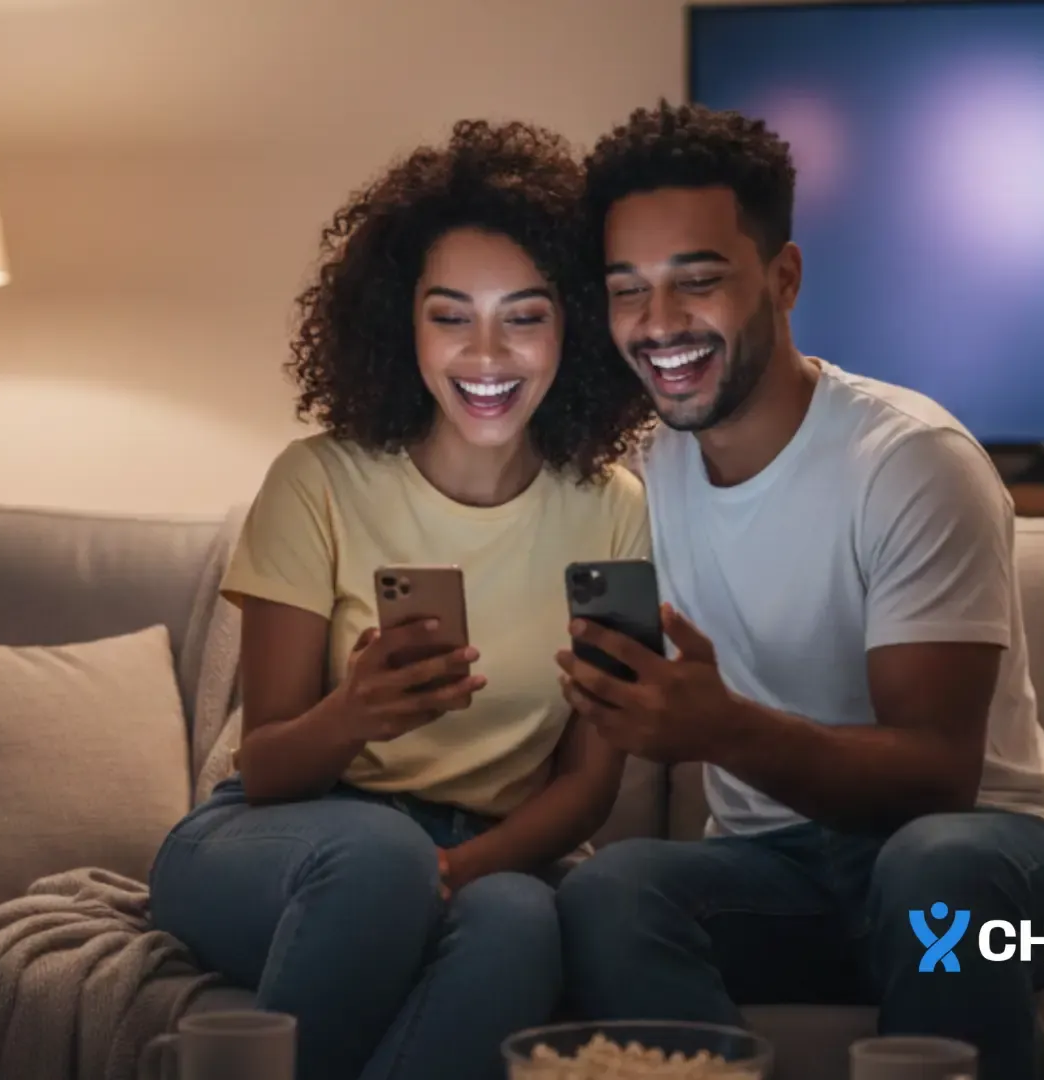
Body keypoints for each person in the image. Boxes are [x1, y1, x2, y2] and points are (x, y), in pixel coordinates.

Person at [551, 102, 1044, 1080]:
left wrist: (722, 728)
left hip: (992, 868)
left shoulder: (909, 461)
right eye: (628, 290)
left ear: (784, 276)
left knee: (933, 871)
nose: (659, 323)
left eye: (699, 280)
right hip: (780, 880)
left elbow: (934, 779)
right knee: (614, 890)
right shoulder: (641, 477)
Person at [148, 119, 654, 1080]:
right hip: (277, 843)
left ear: (575, 325)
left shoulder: (615, 510)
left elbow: (588, 785)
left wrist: (458, 873)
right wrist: (355, 713)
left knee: (523, 921)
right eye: (451, 314)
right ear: (402, 322)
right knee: (379, 860)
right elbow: (265, 768)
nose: (487, 352)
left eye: (527, 314)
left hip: (483, 855)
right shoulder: (315, 481)